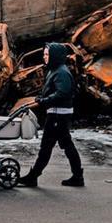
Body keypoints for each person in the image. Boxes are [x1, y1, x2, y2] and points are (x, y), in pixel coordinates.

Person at [18, 42, 84, 187]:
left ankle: (33, 176)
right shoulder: (54, 70)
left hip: (58, 115)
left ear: (55, 56)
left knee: (48, 147)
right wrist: (40, 98)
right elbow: (52, 90)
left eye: (47, 54)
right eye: (44, 54)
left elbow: (62, 93)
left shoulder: (61, 72)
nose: (44, 57)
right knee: (65, 145)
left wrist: (43, 101)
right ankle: (77, 175)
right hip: (57, 114)